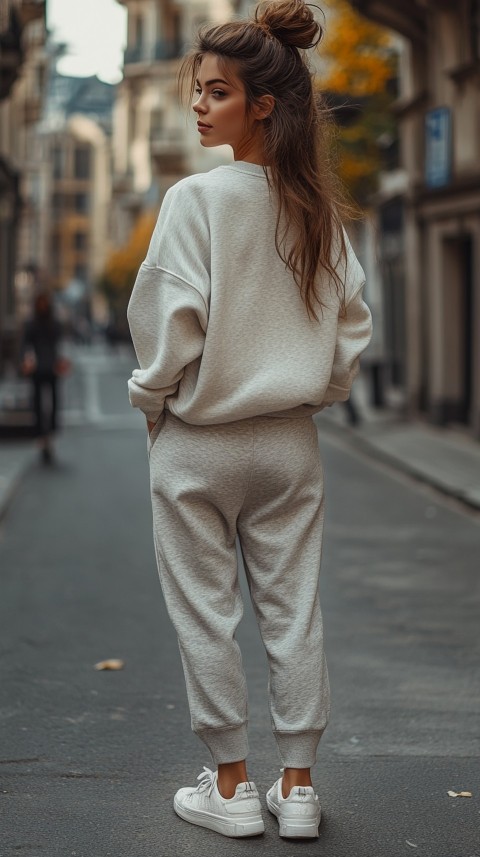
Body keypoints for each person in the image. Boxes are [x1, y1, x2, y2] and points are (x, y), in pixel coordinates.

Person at [127, 0, 372, 840]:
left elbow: (169, 322)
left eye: (216, 92)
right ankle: (297, 786)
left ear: (261, 104)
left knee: (206, 611)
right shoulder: (315, 206)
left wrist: (153, 402)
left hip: (198, 441)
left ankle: (231, 786)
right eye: (197, 91)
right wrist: (314, 390)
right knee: (293, 607)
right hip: (289, 441)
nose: (199, 105)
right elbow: (351, 325)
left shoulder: (196, 199)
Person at [21, 291, 66, 464]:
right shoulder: (32, 323)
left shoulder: (54, 323)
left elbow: (61, 344)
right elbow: (25, 344)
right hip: (38, 368)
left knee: (54, 401)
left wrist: (61, 361)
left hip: (52, 367)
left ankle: (50, 432)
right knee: (37, 402)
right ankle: (41, 434)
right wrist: (26, 359)